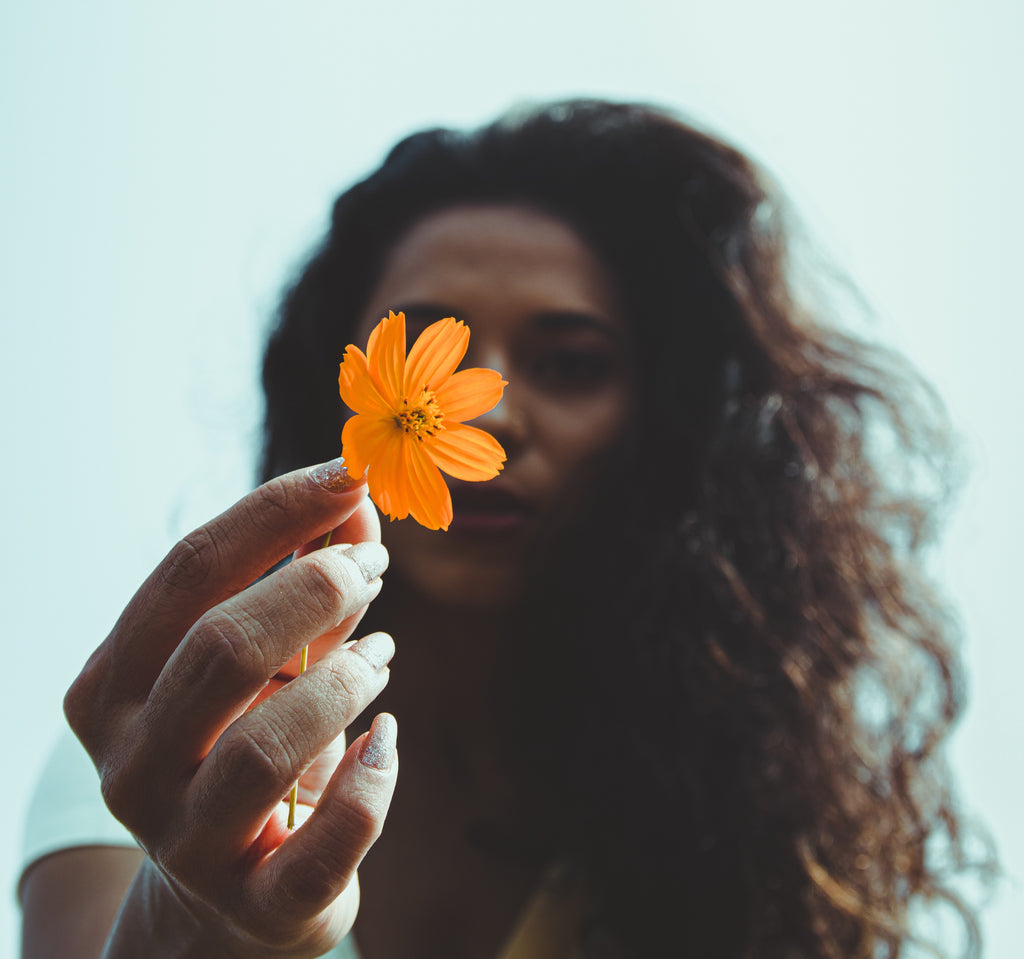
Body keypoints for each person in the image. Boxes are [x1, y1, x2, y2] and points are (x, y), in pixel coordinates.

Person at [18, 99, 981, 958]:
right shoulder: (177, 747)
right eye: (434, 349)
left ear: (662, 427)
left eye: (569, 363)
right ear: (341, 386)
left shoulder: (736, 827)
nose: (489, 414)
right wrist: (191, 919)